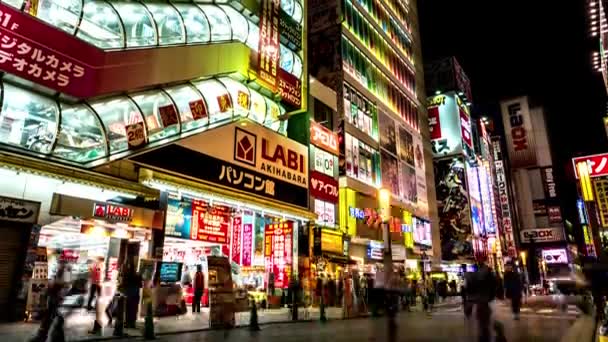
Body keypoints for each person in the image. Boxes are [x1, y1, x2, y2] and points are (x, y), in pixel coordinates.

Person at [468, 260, 496, 342]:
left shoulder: (475, 273)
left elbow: (470, 287)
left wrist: (471, 301)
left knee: (482, 320)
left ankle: (483, 335)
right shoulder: (487, 272)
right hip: (484, 298)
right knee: (484, 320)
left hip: (481, 299)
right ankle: (484, 335)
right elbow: (493, 284)